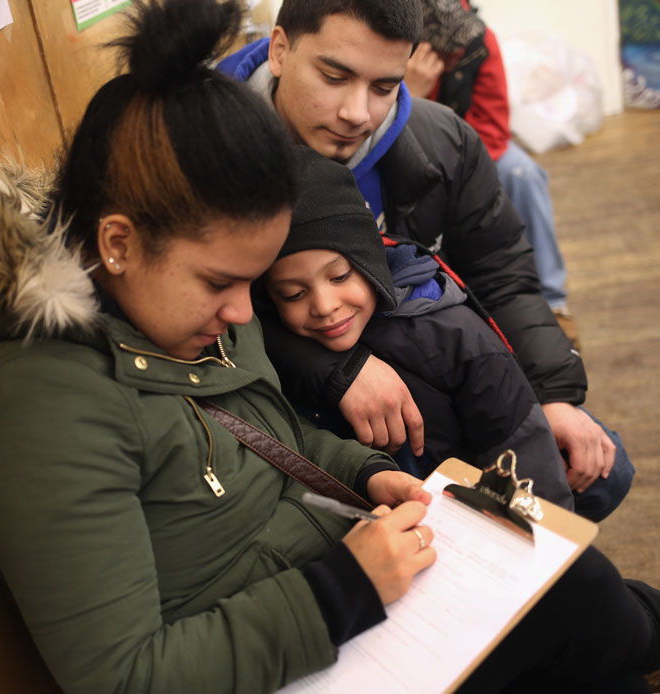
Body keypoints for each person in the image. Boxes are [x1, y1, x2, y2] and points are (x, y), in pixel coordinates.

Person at [0, 1, 660, 692]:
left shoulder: (169, 310)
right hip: (298, 625)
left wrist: (364, 474)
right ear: (118, 243)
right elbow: (125, 674)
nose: (248, 314)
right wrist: (346, 589)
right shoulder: (39, 411)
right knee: (569, 607)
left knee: (545, 586)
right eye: (223, 284)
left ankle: (653, 649)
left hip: (310, 574)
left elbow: (265, 437)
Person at [218, 0, 620, 500]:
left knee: (600, 469)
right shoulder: (205, 154)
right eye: (334, 76)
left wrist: (553, 395)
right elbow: (209, 312)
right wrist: (338, 372)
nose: (356, 113)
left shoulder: (445, 141)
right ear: (279, 51)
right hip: (297, 410)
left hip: (438, 384)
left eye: (384, 87)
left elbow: (499, 272)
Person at [261, 146, 632, 521]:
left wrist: (533, 545)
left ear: (371, 259)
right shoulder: (267, 348)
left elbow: (521, 452)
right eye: (293, 293)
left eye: (340, 276)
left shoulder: (452, 335)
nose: (324, 305)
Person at [404, 0, 578, 347]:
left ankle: (554, 301)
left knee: (523, 173)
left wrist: (453, 164)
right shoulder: (387, 41)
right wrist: (410, 94)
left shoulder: (477, 42)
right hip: (407, 148)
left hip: (468, 151)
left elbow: (494, 128)